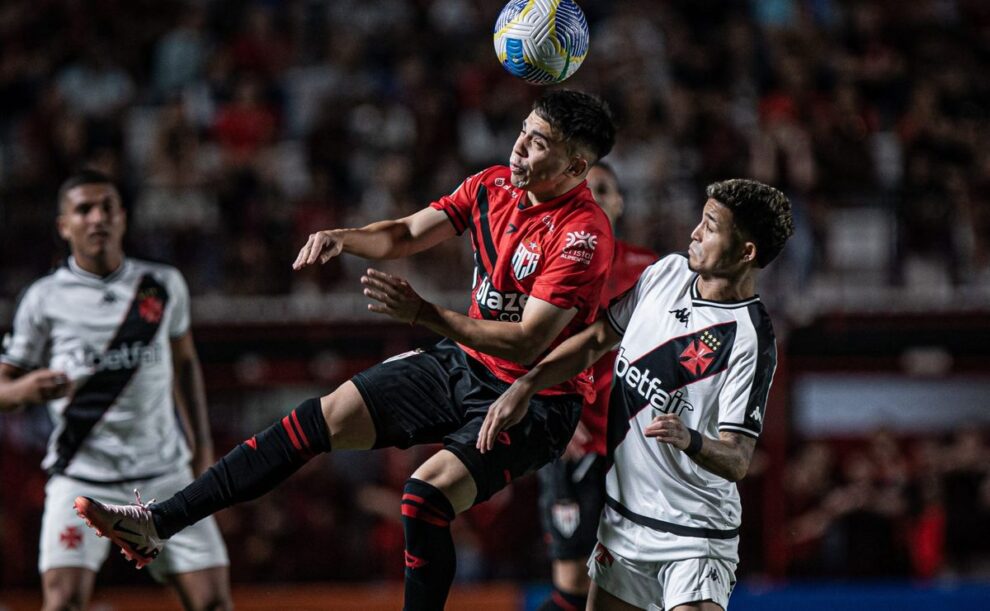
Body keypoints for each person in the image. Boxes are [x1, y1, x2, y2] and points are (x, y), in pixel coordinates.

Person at [75, 89, 617, 611]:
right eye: (524, 131)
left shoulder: (582, 234)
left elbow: (528, 340)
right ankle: (156, 524)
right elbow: (405, 232)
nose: (520, 146)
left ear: (574, 167)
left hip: (538, 399)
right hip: (467, 363)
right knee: (318, 419)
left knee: (423, 498)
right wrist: (345, 236)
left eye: (539, 141)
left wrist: (424, 314)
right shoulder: (490, 186)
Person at [479, 179, 794, 611]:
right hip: (624, 524)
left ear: (746, 252)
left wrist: (691, 440)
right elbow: (595, 341)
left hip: (694, 536)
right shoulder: (665, 274)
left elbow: (738, 459)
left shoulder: (748, 340)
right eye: (700, 219)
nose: (694, 233)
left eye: (710, 225)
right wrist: (528, 383)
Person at [0, 169, 231, 611]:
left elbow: (185, 364)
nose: (97, 217)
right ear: (64, 225)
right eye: (83, 209)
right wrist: (27, 387)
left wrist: (201, 447)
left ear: (123, 218)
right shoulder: (43, 298)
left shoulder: (162, 285)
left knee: (213, 604)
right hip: (82, 477)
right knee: (63, 602)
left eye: (107, 207)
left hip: (165, 474)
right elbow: (3, 387)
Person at [536, 162, 657, 611]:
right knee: (571, 588)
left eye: (603, 190)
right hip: (574, 443)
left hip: (634, 450)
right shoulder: (549, 268)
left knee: (628, 589)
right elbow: (517, 351)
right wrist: (551, 417)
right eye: (584, 192)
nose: (594, 198)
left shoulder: (653, 272)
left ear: (620, 202)